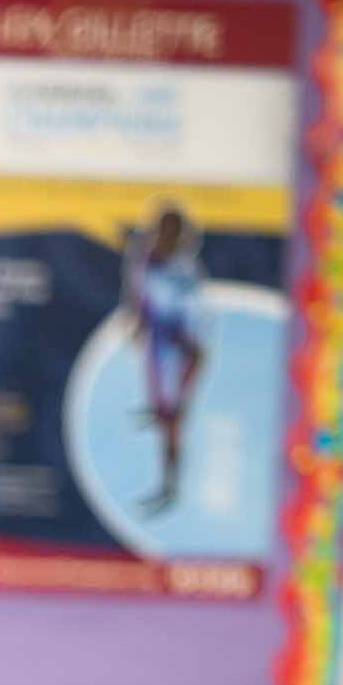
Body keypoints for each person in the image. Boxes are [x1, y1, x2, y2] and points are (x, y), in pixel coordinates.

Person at [121, 202, 208, 515]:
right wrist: (139, 324)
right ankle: (160, 412)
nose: (164, 237)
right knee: (163, 405)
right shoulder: (145, 260)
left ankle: (168, 488)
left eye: (172, 231)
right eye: (160, 230)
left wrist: (191, 349)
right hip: (157, 344)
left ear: (181, 235)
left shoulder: (184, 270)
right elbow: (141, 296)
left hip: (181, 345)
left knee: (174, 421)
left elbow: (195, 316)